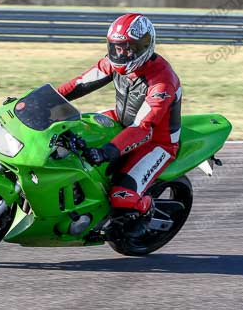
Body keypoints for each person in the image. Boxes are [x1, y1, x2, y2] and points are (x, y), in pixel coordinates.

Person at [56, 13, 182, 235]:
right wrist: (40, 102)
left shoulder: (161, 82)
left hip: (156, 141)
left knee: (121, 196)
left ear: (144, 45)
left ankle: (145, 209)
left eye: (127, 47)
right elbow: (79, 84)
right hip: (120, 120)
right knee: (67, 132)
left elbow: (143, 127)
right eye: (116, 47)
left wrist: (106, 152)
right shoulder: (115, 63)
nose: (121, 53)